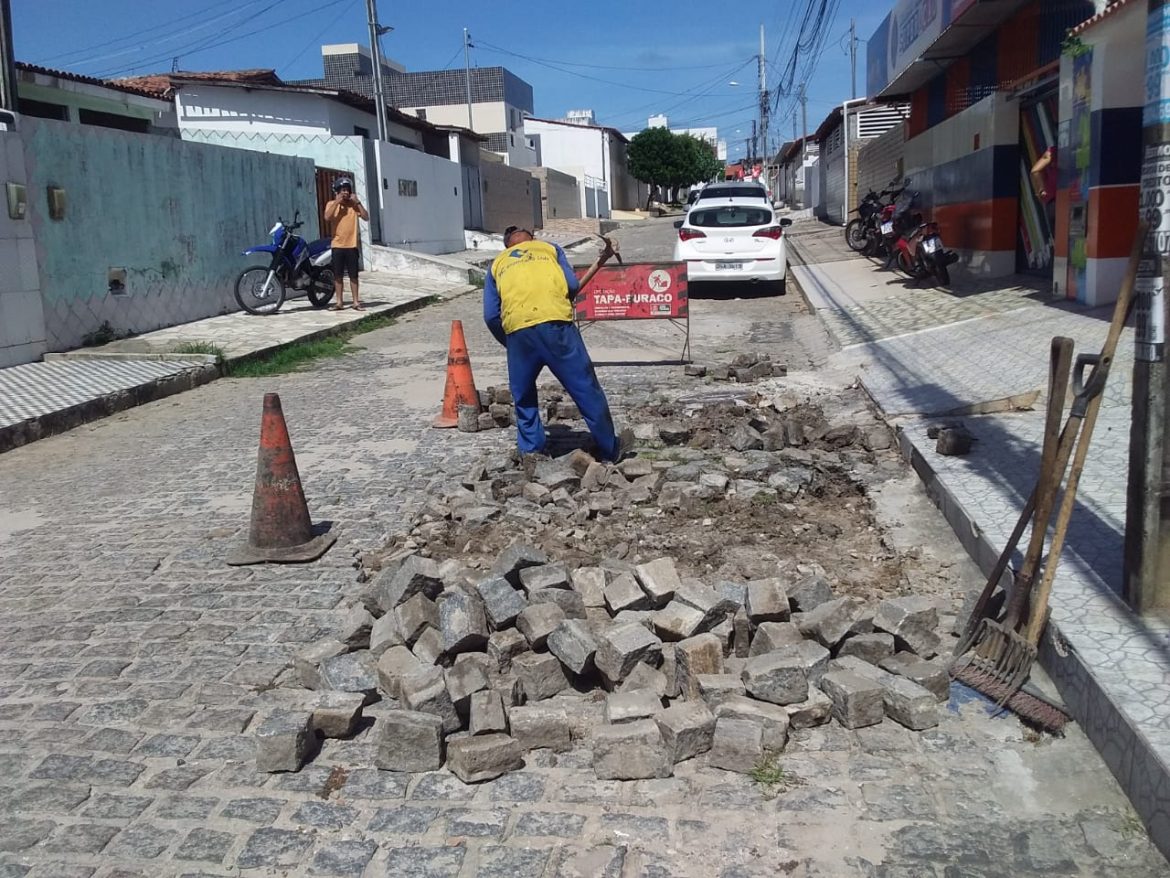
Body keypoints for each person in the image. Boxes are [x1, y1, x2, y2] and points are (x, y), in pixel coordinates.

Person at [483, 226, 631, 462]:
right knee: (585, 387)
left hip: (519, 332)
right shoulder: (550, 249)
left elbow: (491, 315)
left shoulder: (497, 264)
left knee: (524, 398)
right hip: (557, 328)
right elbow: (571, 286)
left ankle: (531, 453)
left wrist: (510, 342)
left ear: (507, 245)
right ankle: (609, 449)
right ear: (531, 238)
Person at [323, 177, 369, 311]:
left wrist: (358, 202)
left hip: (352, 245)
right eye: (343, 190)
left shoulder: (354, 205)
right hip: (337, 245)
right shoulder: (332, 204)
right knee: (338, 276)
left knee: (353, 276)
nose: (346, 193)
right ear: (337, 191)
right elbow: (327, 217)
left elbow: (366, 217)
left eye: (347, 190)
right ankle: (339, 302)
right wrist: (338, 201)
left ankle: (356, 302)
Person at [1030, 146, 1058, 233]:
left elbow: (1035, 171)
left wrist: (1041, 190)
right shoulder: (1053, 151)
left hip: (1052, 203)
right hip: (1069, 198)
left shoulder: (1053, 152)